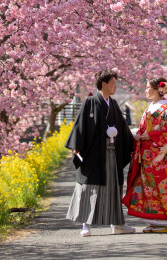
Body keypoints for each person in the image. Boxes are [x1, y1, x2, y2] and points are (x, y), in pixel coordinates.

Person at [65, 69, 136, 237]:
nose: (115, 86)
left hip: (112, 154)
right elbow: (80, 125)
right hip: (94, 154)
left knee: (113, 187)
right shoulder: (89, 102)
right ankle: (86, 225)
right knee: (90, 187)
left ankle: (117, 223)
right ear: (103, 84)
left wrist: (134, 140)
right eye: (112, 84)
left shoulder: (113, 104)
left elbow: (124, 128)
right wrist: (76, 145)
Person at [122, 77, 167, 233]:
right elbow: (144, 128)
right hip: (147, 153)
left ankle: (164, 222)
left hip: (159, 155)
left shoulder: (166, 107)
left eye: (148, 87)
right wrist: (140, 136)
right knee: (148, 187)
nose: (146, 90)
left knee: (161, 186)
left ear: (158, 90)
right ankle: (154, 221)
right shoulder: (152, 106)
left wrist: (150, 136)